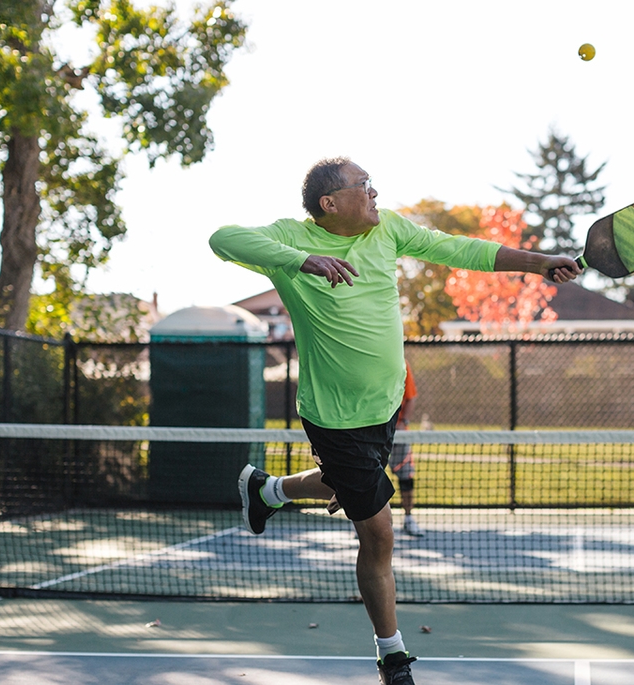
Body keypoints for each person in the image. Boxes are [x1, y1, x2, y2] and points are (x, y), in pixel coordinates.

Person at [209, 157, 580, 685]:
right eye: (364, 186)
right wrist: (301, 261)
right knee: (379, 532)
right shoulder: (289, 239)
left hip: (384, 407)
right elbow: (222, 239)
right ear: (330, 203)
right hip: (334, 415)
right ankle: (393, 657)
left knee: (348, 483)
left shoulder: (390, 230)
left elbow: (462, 248)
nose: (375, 192)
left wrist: (539, 261)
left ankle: (268, 492)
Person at [391, 362, 423, 537]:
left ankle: (409, 518)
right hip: (372, 433)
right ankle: (363, 524)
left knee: (406, 478)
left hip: (399, 434)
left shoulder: (402, 364)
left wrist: (403, 423)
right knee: (369, 479)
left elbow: (411, 397)